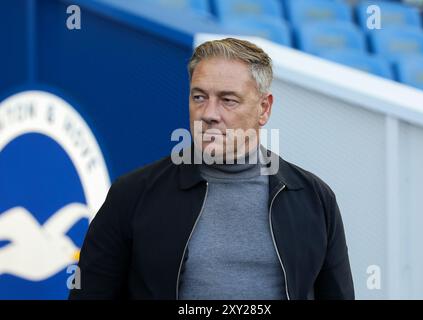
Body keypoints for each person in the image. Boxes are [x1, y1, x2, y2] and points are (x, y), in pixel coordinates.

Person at [68, 38, 354, 300]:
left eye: (228, 100)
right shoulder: (132, 195)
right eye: (199, 97)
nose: (209, 114)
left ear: (264, 109)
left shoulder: (315, 199)